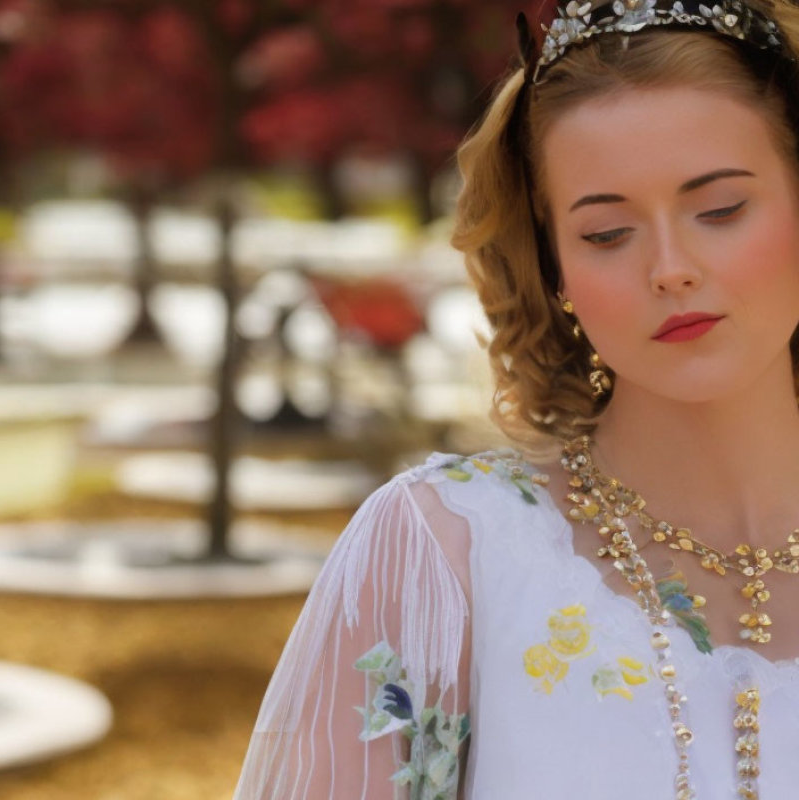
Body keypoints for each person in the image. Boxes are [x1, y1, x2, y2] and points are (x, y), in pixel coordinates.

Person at [234, 1, 799, 797]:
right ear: (556, 269)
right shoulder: (442, 555)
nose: (671, 267)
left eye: (721, 210)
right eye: (606, 232)